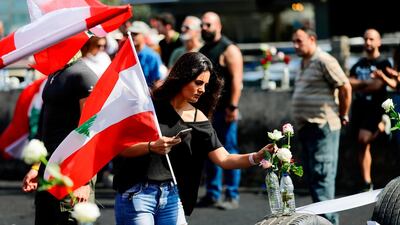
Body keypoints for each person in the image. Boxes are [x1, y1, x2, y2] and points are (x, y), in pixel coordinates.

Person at [113, 52, 273, 225]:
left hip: (172, 197)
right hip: (137, 194)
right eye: (198, 83)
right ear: (183, 78)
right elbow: (121, 148)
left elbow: (225, 158)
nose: (202, 90)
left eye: (205, 84)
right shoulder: (148, 105)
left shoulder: (198, 118)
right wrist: (151, 146)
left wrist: (256, 157)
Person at [21, 53, 98, 225]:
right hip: (48, 169)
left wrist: (83, 180)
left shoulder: (83, 75)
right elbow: (45, 127)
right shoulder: (55, 74)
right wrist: (36, 166)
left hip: (72, 173)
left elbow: (92, 131)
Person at [291, 27, 352, 225]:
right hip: (307, 128)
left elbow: (345, 86)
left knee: (322, 180)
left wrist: (343, 113)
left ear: (312, 39)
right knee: (314, 181)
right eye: (294, 41)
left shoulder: (324, 60)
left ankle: (330, 223)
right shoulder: (303, 62)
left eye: (299, 41)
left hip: (322, 127)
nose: (295, 45)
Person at [197, 11, 244, 210]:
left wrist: (232, 107)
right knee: (210, 151)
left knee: (229, 149)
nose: (204, 28)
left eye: (208, 25)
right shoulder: (204, 49)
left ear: (219, 26)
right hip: (208, 111)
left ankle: (231, 194)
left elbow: (237, 81)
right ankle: (212, 193)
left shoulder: (229, 49)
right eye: (202, 25)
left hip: (225, 110)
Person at [349, 28, 392, 192]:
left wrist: (359, 84)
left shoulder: (384, 63)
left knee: (363, 139)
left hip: (376, 108)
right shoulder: (358, 64)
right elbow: (347, 82)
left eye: (371, 39)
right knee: (362, 146)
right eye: (366, 39)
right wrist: (365, 83)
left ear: (379, 42)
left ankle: (383, 126)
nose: (368, 42)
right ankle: (367, 182)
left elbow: (377, 86)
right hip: (360, 109)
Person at [129, 21, 164, 88]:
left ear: (143, 35)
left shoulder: (152, 56)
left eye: (136, 34)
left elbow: (157, 80)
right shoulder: (128, 54)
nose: (133, 36)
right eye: (131, 34)